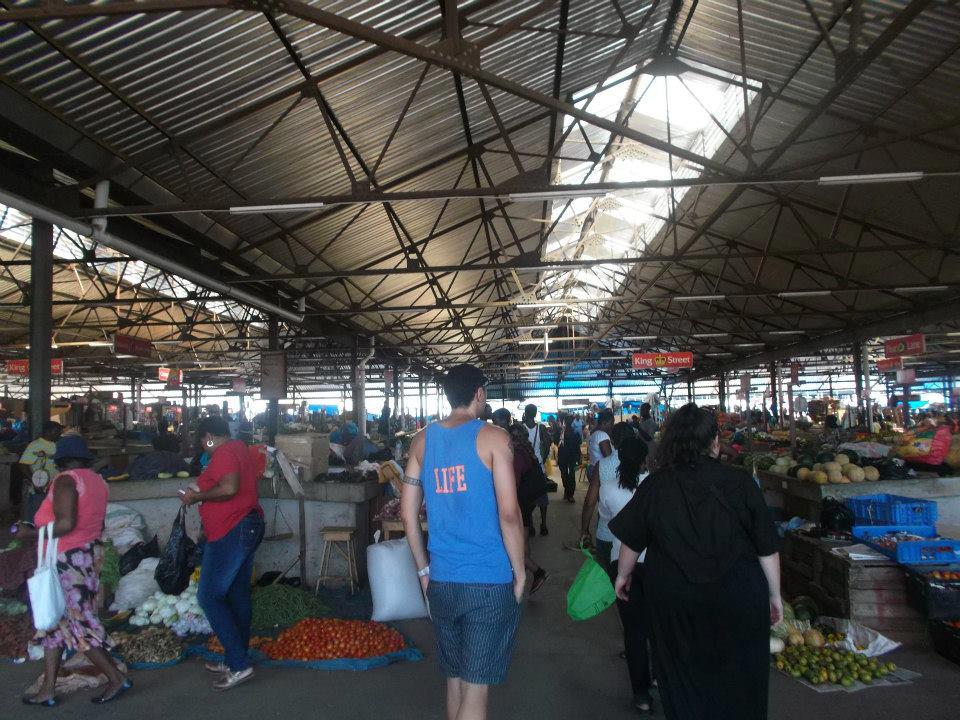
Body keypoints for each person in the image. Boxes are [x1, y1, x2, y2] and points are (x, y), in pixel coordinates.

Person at [609, 404, 783, 720]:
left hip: (677, 601)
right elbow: (766, 547)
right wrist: (774, 594)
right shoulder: (741, 482)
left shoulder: (656, 485)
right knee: (741, 679)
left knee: (682, 677)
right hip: (738, 595)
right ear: (714, 441)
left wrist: (623, 575)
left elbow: (631, 541)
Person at [401, 364, 525, 720]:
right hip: (487, 580)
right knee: (476, 687)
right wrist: (519, 572)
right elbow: (509, 514)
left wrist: (423, 571)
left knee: (454, 678)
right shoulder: (494, 438)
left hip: (442, 579)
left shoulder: (421, 441)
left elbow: (408, 515)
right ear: (479, 393)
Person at [17, 435, 130, 706]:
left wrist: (30, 534)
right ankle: (48, 689)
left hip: (67, 560)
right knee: (55, 623)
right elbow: (96, 524)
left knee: (79, 624)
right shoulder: (97, 481)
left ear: (61, 460)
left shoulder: (66, 480)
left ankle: (115, 678)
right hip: (86, 554)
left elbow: (66, 523)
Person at [179, 417, 264, 691]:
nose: (203, 447)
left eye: (202, 442)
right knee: (236, 594)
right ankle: (235, 658)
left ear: (209, 437)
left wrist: (196, 497)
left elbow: (229, 488)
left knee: (209, 596)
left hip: (232, 529)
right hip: (242, 526)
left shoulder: (225, 452)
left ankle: (239, 664)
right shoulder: (238, 448)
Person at [600, 437, 653, 714]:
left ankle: (641, 694)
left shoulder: (608, 488)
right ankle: (659, 675)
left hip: (621, 563)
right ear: (646, 459)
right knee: (658, 624)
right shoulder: (656, 485)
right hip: (656, 564)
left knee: (634, 630)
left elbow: (607, 518)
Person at [491, 410, 549, 595]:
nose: (494, 425)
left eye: (497, 421)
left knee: (511, 542)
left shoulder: (515, 451)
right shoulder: (522, 448)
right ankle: (524, 573)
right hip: (526, 500)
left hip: (518, 501)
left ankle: (535, 572)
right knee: (522, 540)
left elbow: (513, 483)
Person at [580, 409, 614, 546]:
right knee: (603, 505)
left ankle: (587, 532)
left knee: (598, 502)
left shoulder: (593, 432)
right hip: (601, 471)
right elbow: (609, 456)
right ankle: (602, 534)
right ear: (605, 422)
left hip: (593, 467)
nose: (612, 426)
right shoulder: (602, 435)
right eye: (611, 423)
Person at [19, 421, 63, 521]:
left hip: (54, 488)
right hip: (40, 488)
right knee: (36, 516)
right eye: (57, 431)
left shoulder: (56, 444)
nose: (59, 434)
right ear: (48, 431)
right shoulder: (35, 445)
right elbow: (23, 465)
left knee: (49, 516)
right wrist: (35, 482)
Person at [521, 404, 551, 536]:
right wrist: (542, 460)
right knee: (542, 497)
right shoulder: (541, 428)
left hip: (525, 468)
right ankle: (543, 524)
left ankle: (531, 525)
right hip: (539, 467)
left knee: (527, 499)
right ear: (535, 413)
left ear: (525, 413)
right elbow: (547, 445)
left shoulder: (520, 428)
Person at [557, 415, 582, 503]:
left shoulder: (575, 432)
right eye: (567, 420)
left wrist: (579, 457)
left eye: (570, 420)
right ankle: (567, 490)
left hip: (572, 456)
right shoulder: (560, 432)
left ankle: (570, 494)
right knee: (564, 475)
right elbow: (556, 442)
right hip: (562, 456)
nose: (568, 422)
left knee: (571, 475)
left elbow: (578, 446)